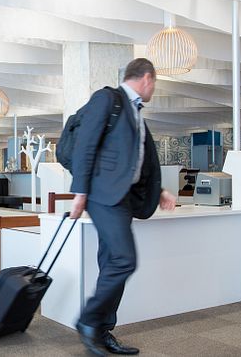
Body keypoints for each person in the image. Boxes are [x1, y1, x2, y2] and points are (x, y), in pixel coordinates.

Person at [69, 58, 176, 356]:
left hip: (123, 198)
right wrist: (79, 192)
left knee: (111, 264)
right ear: (147, 78)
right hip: (103, 195)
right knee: (124, 260)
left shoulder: (136, 112)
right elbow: (86, 146)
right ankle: (89, 322)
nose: (154, 88)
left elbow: (136, 162)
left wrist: (159, 191)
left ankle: (102, 332)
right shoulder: (108, 98)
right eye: (154, 83)